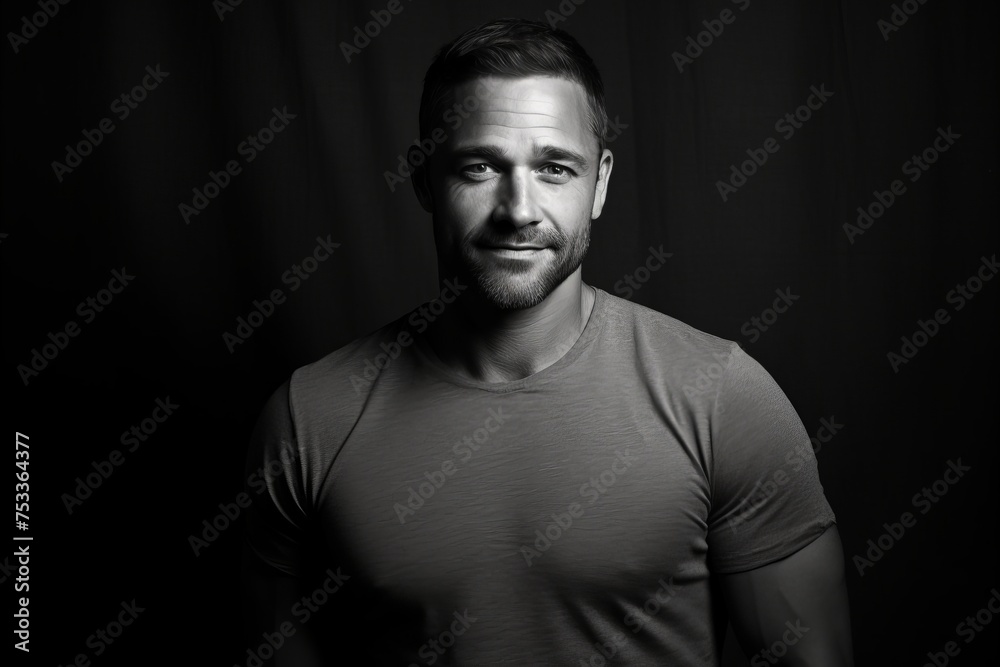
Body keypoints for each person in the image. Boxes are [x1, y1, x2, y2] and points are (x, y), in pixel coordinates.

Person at [241, 18, 853, 666]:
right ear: (423, 179)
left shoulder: (722, 398)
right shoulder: (309, 419)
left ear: (601, 181)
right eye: (480, 166)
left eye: (555, 167)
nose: (519, 208)